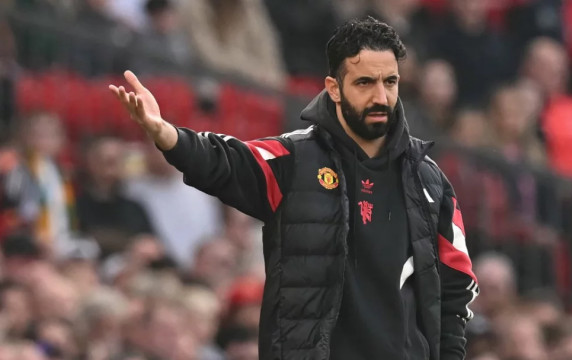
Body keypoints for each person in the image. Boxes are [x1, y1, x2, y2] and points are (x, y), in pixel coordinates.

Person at [109, 16, 478, 360]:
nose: (380, 97)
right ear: (334, 88)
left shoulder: (429, 181)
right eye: (364, 82)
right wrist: (167, 135)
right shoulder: (296, 158)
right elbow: (226, 160)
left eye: (390, 82)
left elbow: (456, 285)